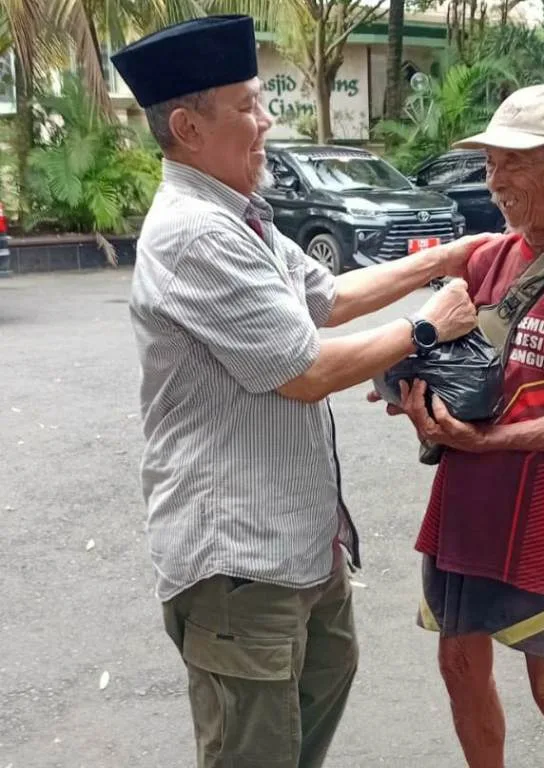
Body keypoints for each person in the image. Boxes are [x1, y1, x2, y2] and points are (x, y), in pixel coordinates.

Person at [111, 15, 494, 768]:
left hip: (297, 541)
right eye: (249, 106)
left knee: (322, 683)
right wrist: (426, 328)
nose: (267, 121)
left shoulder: (241, 217)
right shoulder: (195, 233)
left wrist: (440, 259)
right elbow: (302, 371)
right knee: (255, 747)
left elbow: (328, 298)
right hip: (238, 559)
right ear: (187, 126)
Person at [376, 84, 544, 768]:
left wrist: (488, 441)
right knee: (456, 666)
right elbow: (450, 365)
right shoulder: (487, 258)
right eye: (491, 163)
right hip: (465, 504)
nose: (495, 180)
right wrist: (419, 404)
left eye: (515, 163)